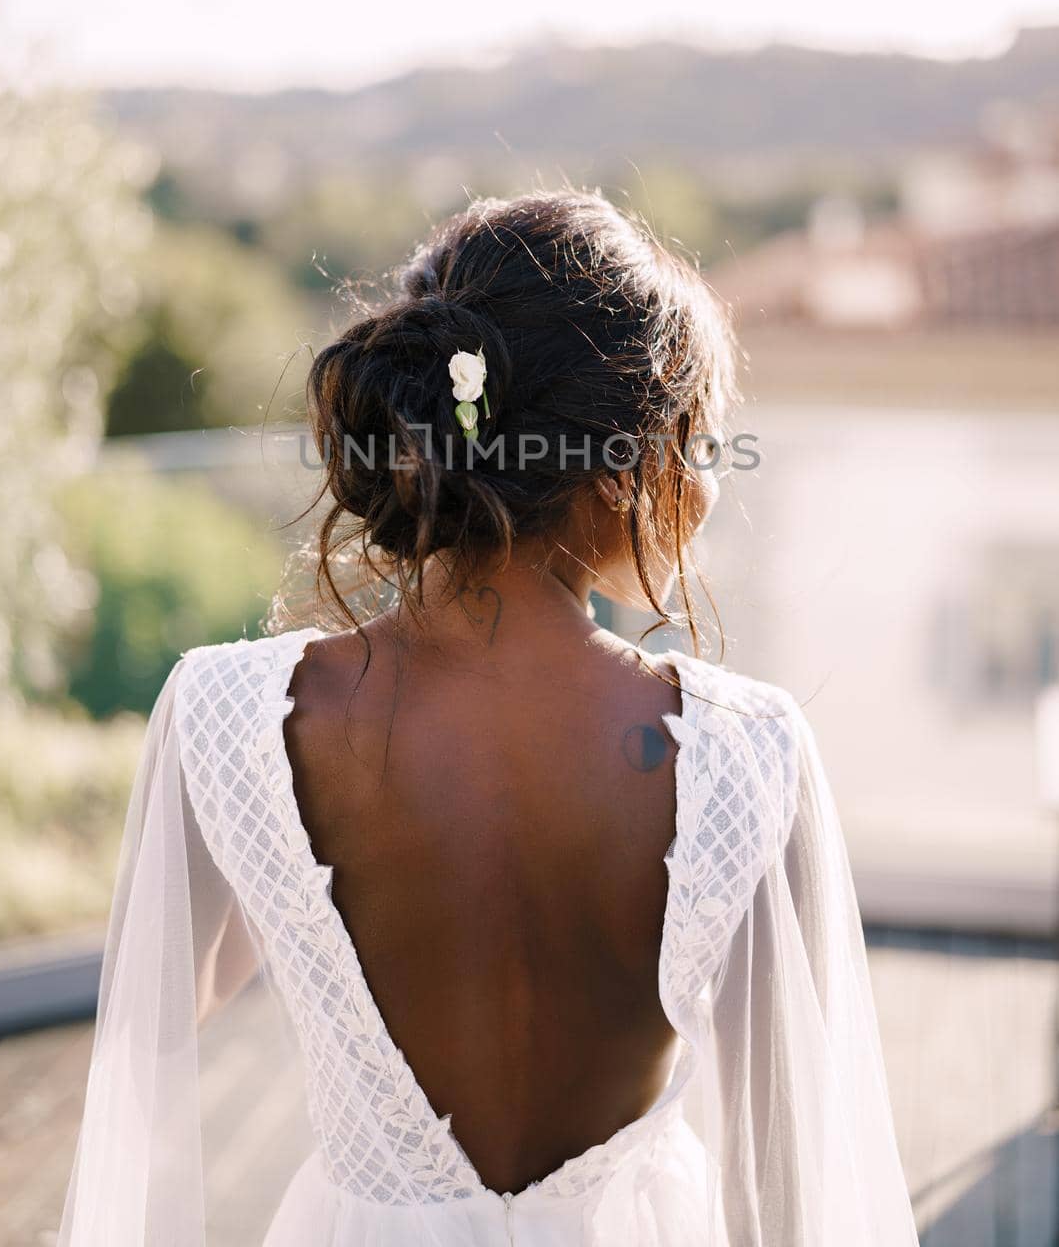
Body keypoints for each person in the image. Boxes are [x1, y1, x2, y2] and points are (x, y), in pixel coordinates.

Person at [59, 191, 919, 1245]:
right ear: (622, 467)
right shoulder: (742, 750)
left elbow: (157, 1023)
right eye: (696, 440)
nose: (701, 485)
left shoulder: (232, 715)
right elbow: (792, 1161)